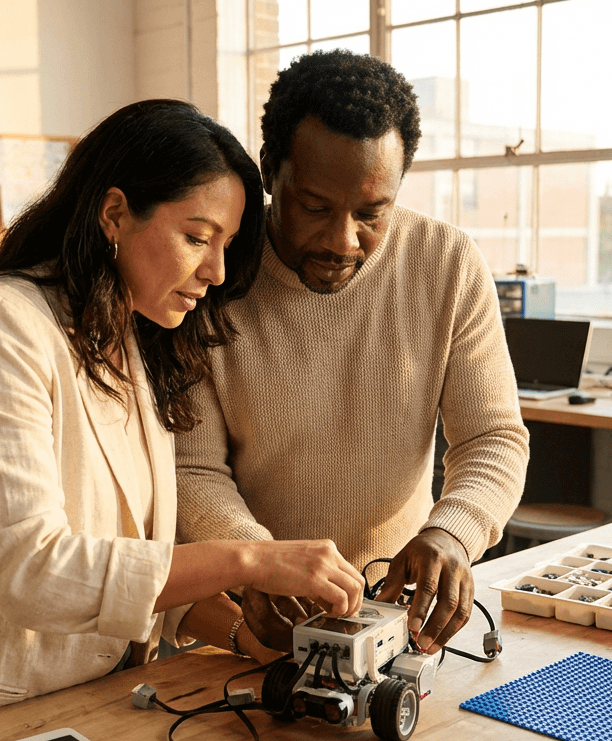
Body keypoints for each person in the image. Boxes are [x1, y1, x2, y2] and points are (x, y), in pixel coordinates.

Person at [0, 99, 364, 741]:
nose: (216, 272)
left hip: (73, 711)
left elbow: (124, 573)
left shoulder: (130, 343)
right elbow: (37, 573)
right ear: (114, 214)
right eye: (197, 238)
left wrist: (249, 635)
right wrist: (251, 559)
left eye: (224, 246)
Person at [176, 50, 529, 660]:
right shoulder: (210, 272)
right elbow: (193, 468)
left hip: (396, 620)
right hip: (247, 617)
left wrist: (454, 531)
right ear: (268, 172)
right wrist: (260, 560)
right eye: (315, 208)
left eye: (371, 214)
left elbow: (494, 437)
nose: (343, 241)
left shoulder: (446, 265)